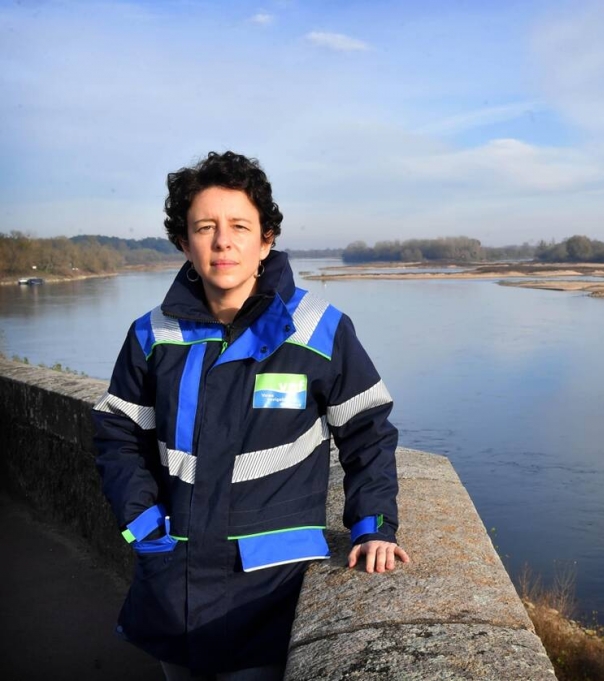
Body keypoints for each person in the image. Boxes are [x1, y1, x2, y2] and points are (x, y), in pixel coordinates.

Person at [92, 151, 409, 680]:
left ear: (265, 240)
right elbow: (118, 434)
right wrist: (142, 524)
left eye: (240, 226)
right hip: (176, 583)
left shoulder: (318, 328)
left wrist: (373, 526)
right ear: (183, 242)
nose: (223, 241)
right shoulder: (152, 335)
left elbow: (368, 430)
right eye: (205, 227)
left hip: (270, 591)